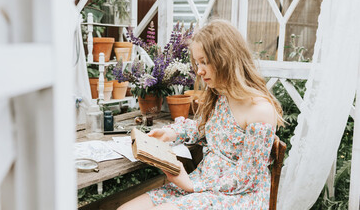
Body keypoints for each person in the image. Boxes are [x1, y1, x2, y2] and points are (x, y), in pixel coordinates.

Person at [118, 19, 284, 210]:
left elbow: (248, 179)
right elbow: (206, 127)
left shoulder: (260, 110)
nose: (198, 70)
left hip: (236, 196)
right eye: (197, 63)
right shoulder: (222, 94)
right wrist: (172, 133)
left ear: (226, 58)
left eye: (204, 62)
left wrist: (192, 185)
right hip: (204, 182)